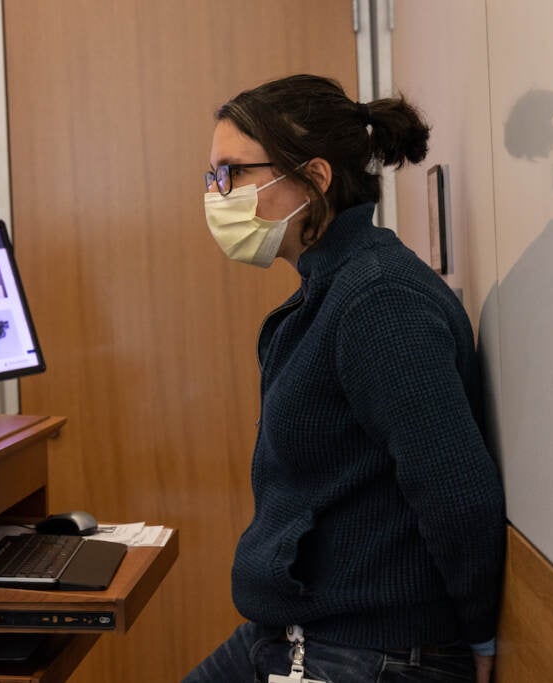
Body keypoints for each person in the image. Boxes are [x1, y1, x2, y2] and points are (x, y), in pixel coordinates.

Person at [184, 74, 506, 683]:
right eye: (211, 176)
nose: (216, 194)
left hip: (366, 649)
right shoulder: (331, 292)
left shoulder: (379, 300)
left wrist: (481, 637)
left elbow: (457, 491)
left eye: (232, 173)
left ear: (315, 178)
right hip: (287, 632)